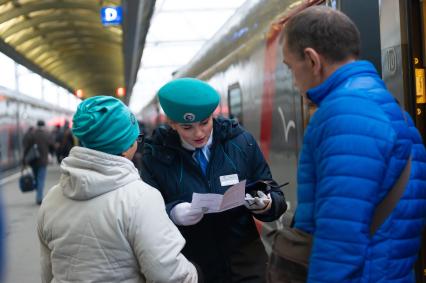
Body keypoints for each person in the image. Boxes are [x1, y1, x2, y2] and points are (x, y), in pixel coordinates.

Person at [281, 6, 426, 282]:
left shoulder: (344, 113)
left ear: (312, 60)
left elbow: (339, 240)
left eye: (290, 67)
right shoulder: (390, 108)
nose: (293, 79)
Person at [37, 96, 199, 283]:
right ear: (126, 147)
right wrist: (195, 274)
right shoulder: (141, 198)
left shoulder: (52, 199)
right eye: (135, 138)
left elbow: (48, 271)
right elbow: (170, 276)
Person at [140, 78, 287, 283]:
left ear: (213, 116)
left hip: (247, 263)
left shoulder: (241, 142)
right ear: (172, 124)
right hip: (194, 268)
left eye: (204, 122)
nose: (198, 133)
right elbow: (145, 217)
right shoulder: (155, 157)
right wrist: (173, 213)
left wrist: (267, 204)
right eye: (187, 127)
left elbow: (274, 193)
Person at [23, 120, 53, 205]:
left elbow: (26, 147)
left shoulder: (32, 134)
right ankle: (39, 198)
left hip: (33, 161)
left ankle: (38, 193)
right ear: (43, 126)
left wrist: (24, 159)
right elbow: (52, 144)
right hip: (43, 161)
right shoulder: (46, 134)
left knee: (36, 178)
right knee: (41, 179)